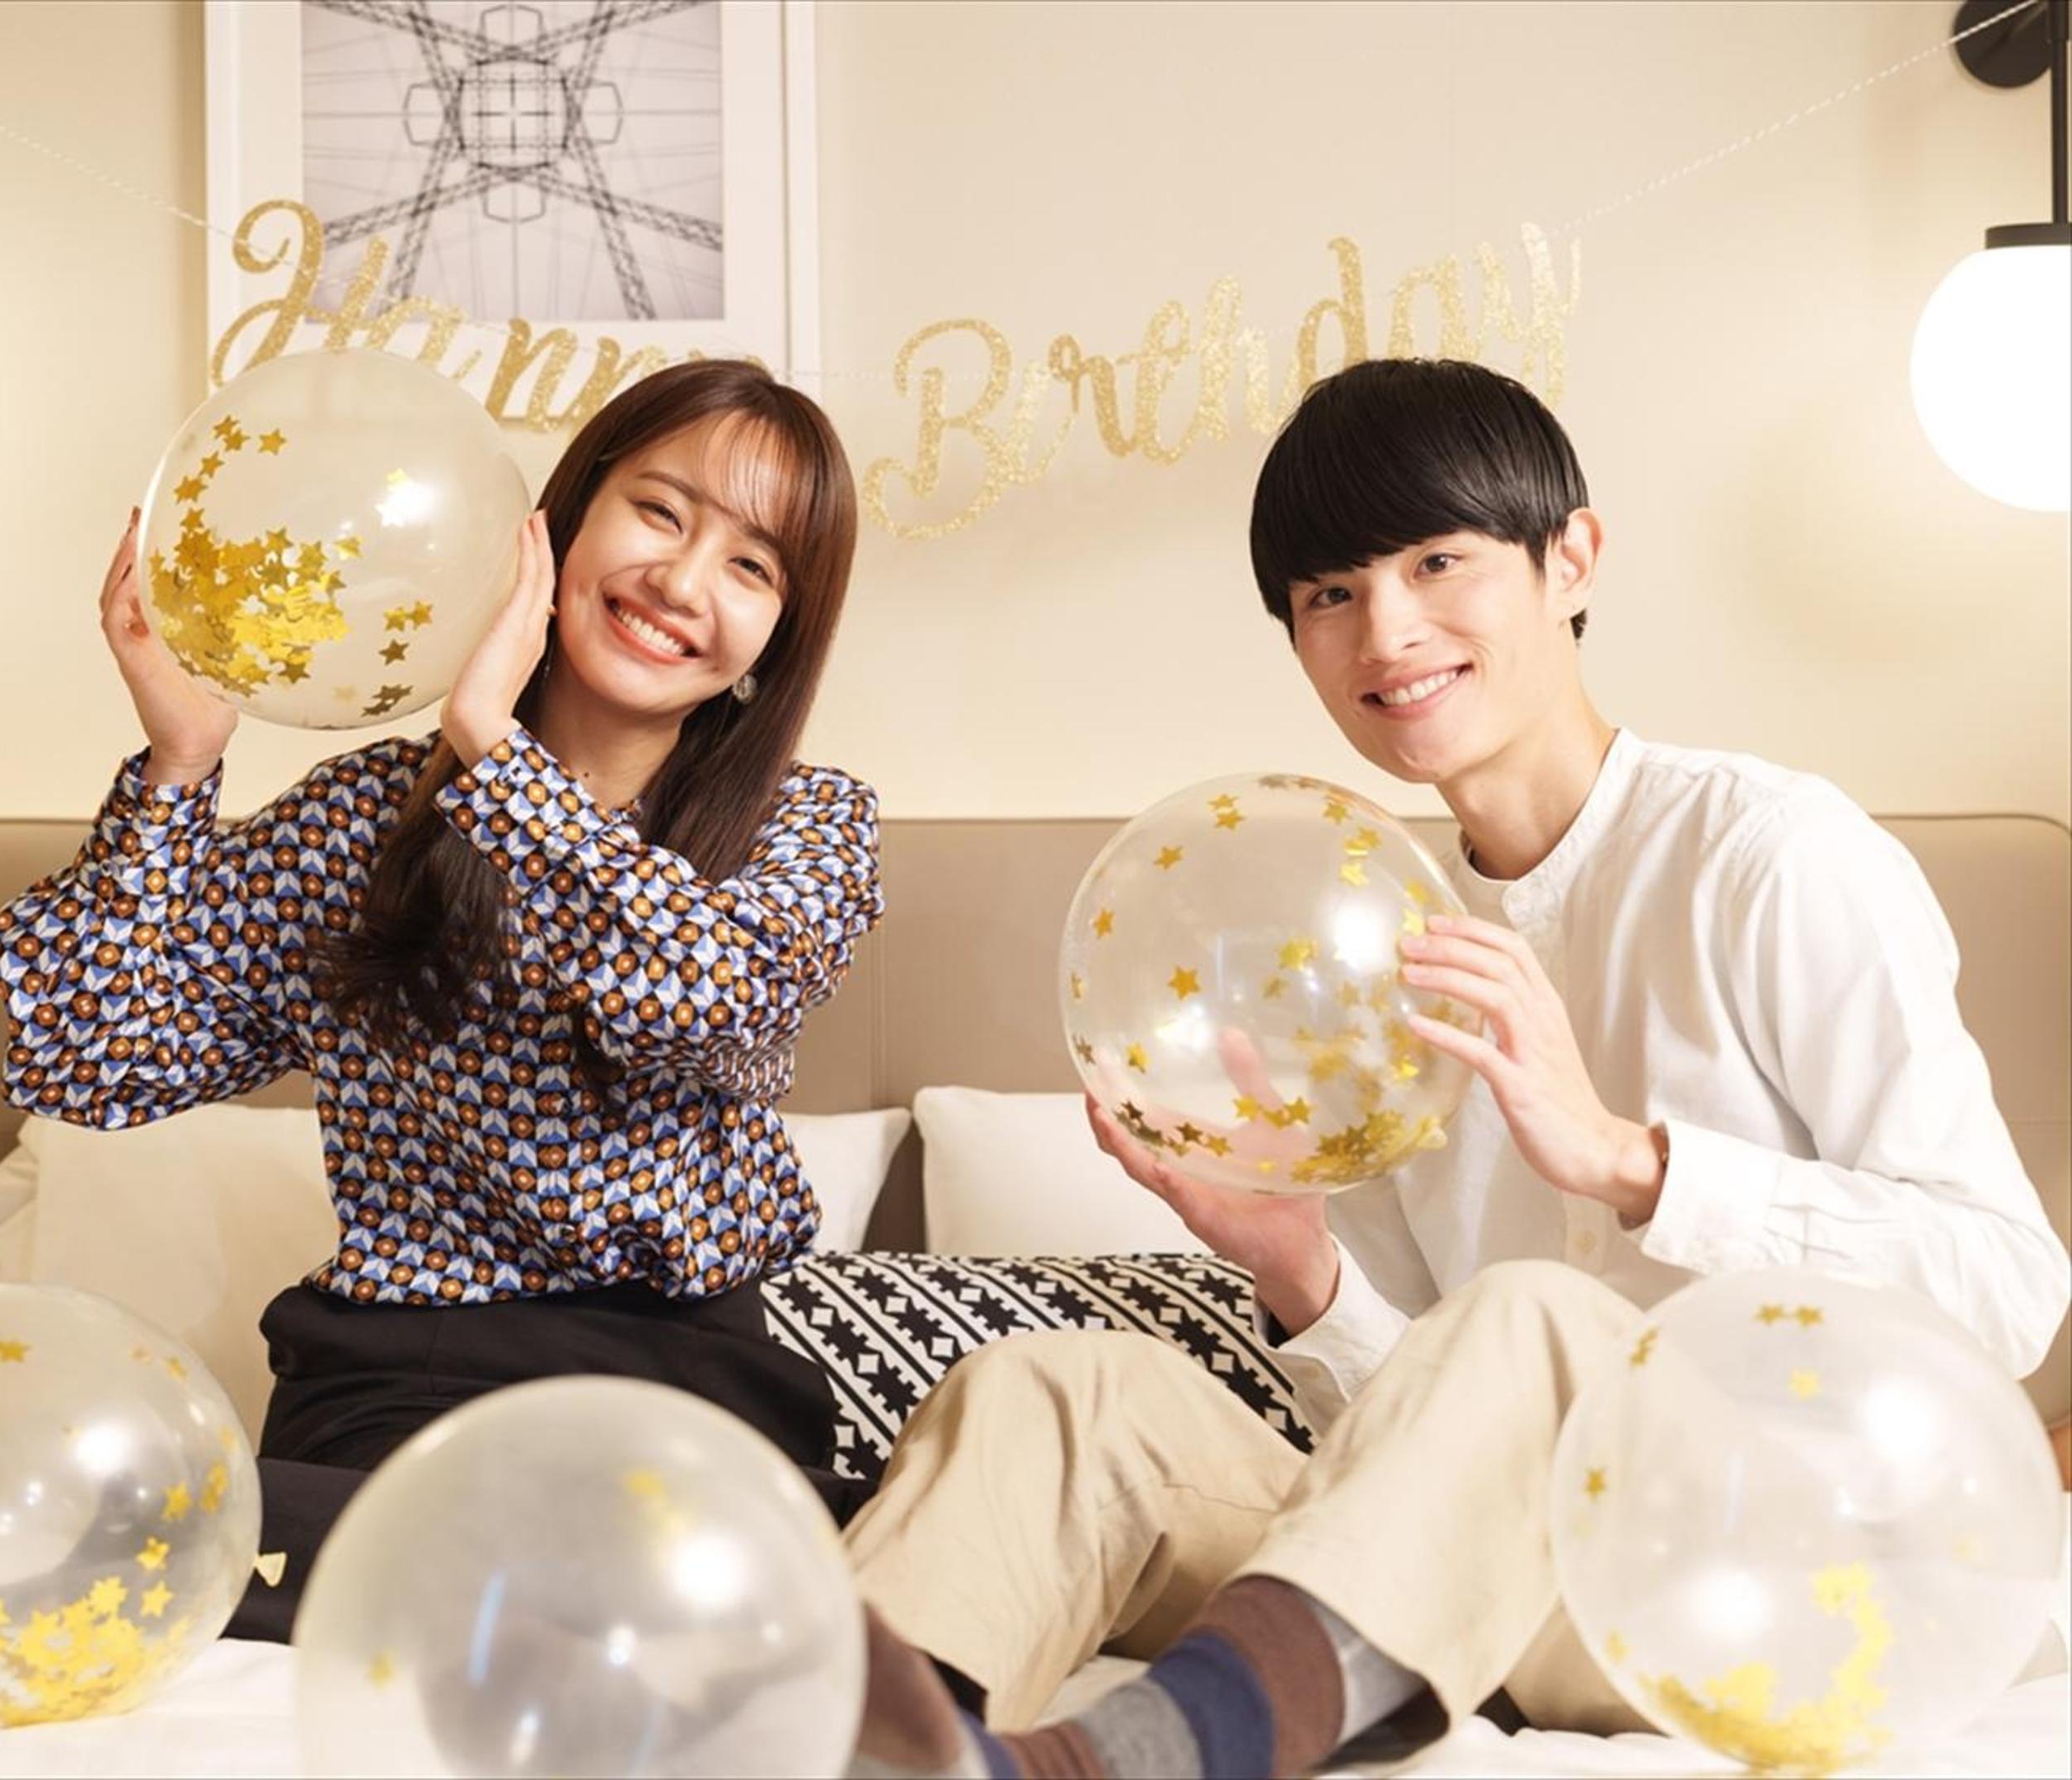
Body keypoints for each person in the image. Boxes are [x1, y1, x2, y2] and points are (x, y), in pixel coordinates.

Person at [845, 358, 2070, 1778]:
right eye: (1331, 593)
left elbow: (2012, 1290)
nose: (1388, 630)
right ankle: (842, 1752)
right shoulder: (1377, 945)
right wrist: (1297, 1265)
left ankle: (1145, 1759)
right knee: (1056, 1399)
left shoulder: (1771, 857)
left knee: (1536, 1317)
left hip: (1808, 1597)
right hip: (1530, 1596)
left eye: (1438, 561)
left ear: (1572, 560)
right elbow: (1419, 1456)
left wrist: (1633, 1165)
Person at [0, 359, 880, 1642]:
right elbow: (89, 1062)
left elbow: (709, 1004)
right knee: (168, 1537)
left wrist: (495, 749)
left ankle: (495, 1576)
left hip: (685, 1389)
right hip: (398, 1388)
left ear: (776, 639)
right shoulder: (365, 820)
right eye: (661, 512)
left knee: (777, 1571)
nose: (685, 583)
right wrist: (182, 765)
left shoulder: (808, 827)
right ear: (559, 525)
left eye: (753, 567)